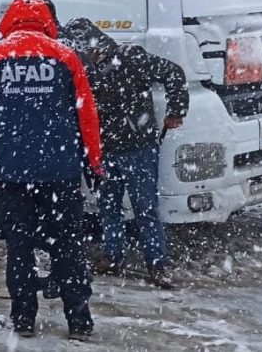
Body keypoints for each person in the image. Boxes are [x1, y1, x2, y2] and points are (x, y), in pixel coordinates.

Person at [0, 0, 103, 341]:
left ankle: (24, 318)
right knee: (70, 246)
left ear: (10, 20)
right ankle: (80, 321)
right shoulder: (65, 56)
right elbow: (86, 114)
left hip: (13, 176)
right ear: (46, 20)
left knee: (19, 248)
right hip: (61, 172)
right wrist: (93, 162)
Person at [65, 19, 189, 290]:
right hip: (108, 150)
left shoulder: (130, 57)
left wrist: (177, 110)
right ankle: (115, 256)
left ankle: (156, 263)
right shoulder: (84, 67)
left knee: (143, 208)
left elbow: (173, 72)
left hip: (138, 149)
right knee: (110, 206)